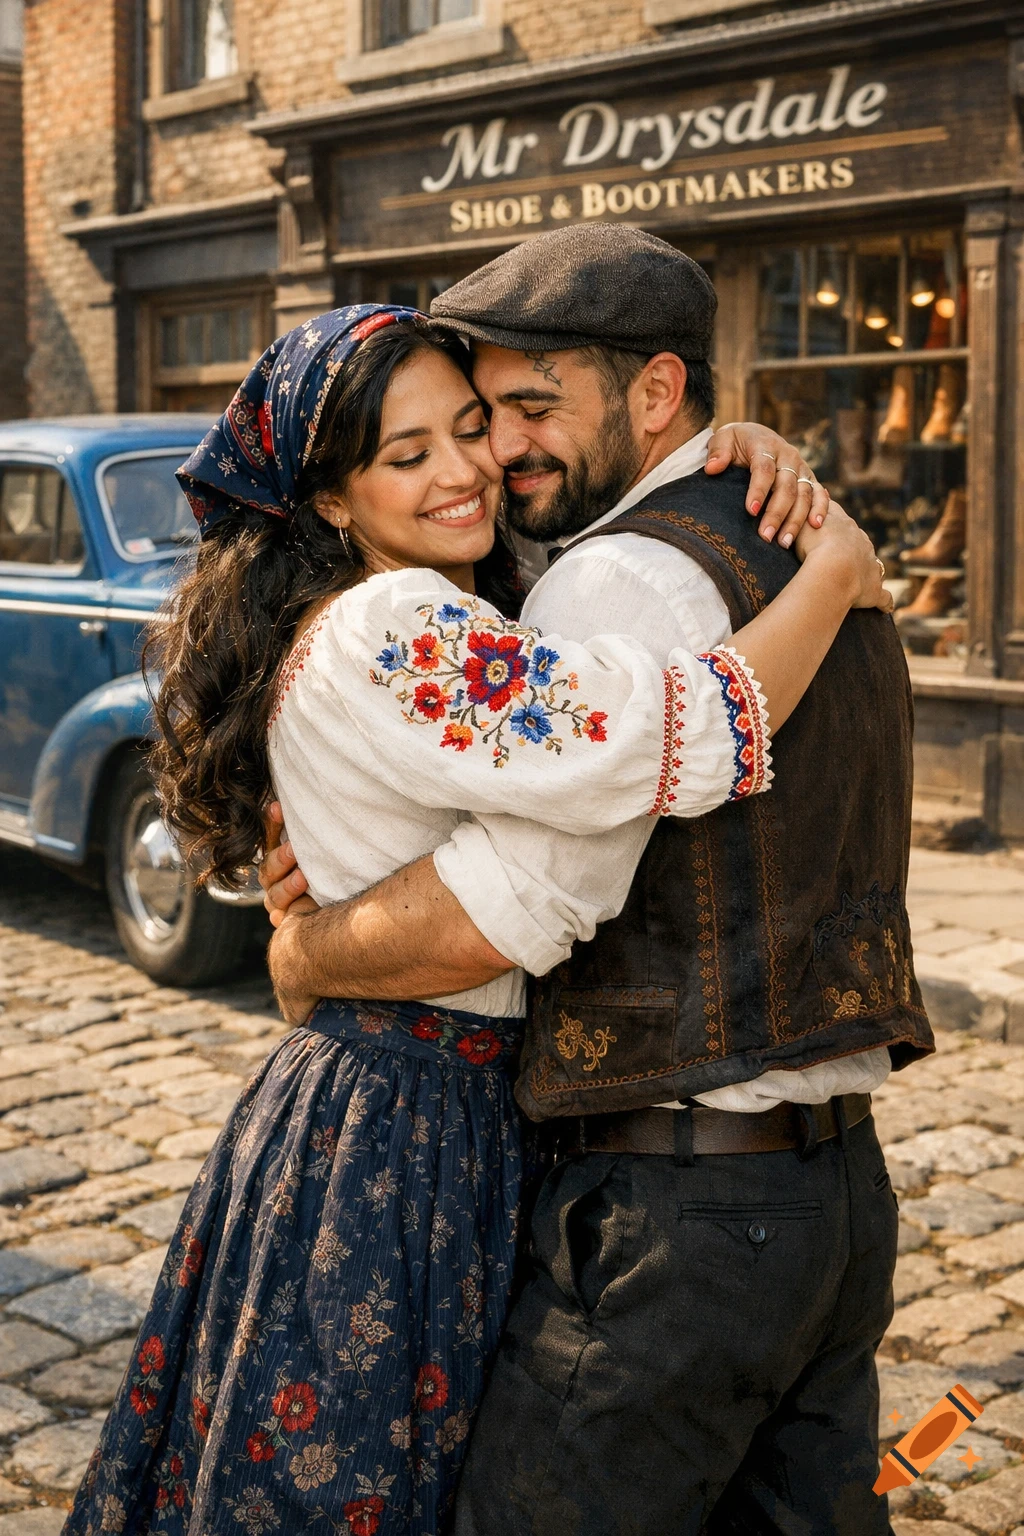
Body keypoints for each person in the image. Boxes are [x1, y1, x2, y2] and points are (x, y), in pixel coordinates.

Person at [63, 297, 883, 1536]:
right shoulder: (397, 619)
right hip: (406, 1124)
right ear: (331, 498)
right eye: (408, 455)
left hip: (403, 1103)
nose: (466, 469)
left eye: (474, 427)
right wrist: (828, 574)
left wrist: (753, 453)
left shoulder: (419, 603)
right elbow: (636, 733)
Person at [261, 227, 933, 1536]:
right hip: (834, 1201)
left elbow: (515, 902)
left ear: (657, 393)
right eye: (474, 420)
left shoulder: (610, 579)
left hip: (677, 1216)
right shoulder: (790, 530)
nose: (500, 454)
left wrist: (306, 953)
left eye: (529, 409)